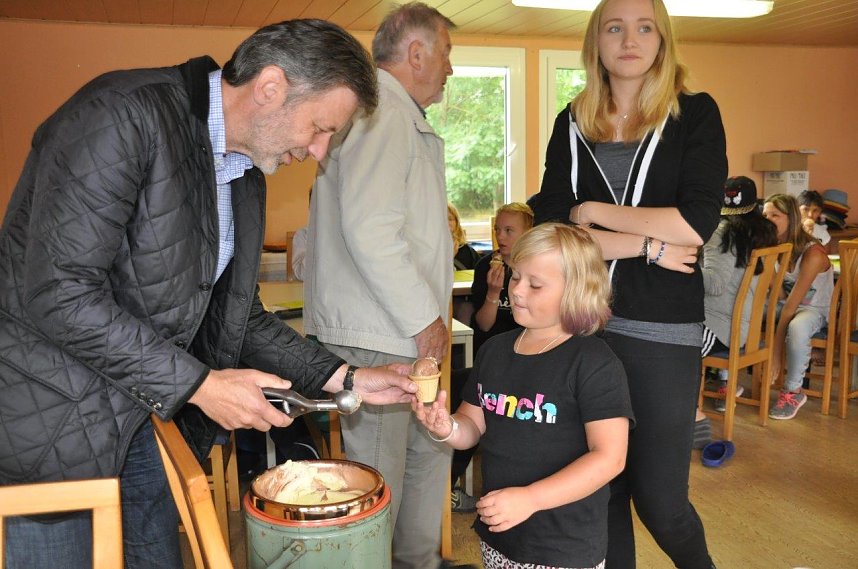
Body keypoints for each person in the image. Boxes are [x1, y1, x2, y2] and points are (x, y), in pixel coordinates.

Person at [0, 19, 420, 569]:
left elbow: (236, 316)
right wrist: (200, 385)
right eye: (319, 128)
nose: (318, 151)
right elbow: (59, 293)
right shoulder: (121, 115)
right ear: (270, 87)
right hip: (51, 424)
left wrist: (348, 377)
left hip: (143, 413)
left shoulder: (246, 173)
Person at [530, 0, 727, 566]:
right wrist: (646, 244)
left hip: (662, 332)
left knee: (661, 501)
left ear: (662, 40)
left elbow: (693, 223)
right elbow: (550, 226)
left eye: (645, 28)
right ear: (597, 41)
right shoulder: (572, 122)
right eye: (614, 27)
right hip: (582, 328)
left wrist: (590, 210)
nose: (629, 40)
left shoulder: (695, 113)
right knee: (601, 491)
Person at [303, 4, 465, 569]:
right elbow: (369, 229)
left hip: (400, 326)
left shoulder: (389, 113)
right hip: (385, 332)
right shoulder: (382, 112)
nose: (449, 67)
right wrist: (426, 320)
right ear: (416, 53)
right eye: (445, 52)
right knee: (380, 485)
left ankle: (418, 562)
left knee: (428, 453)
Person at [413, 223, 634, 569]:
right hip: (501, 534)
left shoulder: (593, 362)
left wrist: (531, 498)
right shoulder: (495, 351)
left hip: (565, 546)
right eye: (516, 277)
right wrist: (447, 428)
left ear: (576, 291)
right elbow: (473, 422)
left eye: (535, 284)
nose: (517, 291)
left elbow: (610, 457)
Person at [700, 176, 777, 415]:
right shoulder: (765, 232)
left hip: (718, 329)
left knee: (666, 344)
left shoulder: (724, 232)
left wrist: (688, 264)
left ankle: (683, 413)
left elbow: (714, 285)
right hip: (743, 328)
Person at [762, 194, 834, 420]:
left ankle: (793, 390)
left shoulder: (813, 253)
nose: (767, 219)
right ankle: (727, 378)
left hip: (813, 310)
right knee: (744, 309)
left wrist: (775, 352)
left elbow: (790, 307)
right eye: (765, 215)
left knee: (798, 327)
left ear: (791, 218)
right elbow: (780, 294)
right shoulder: (772, 246)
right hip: (786, 304)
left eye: (775, 215)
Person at [471, 202, 534, 353]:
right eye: (497, 230)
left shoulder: (536, 266)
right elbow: (484, 325)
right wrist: (493, 292)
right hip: (493, 345)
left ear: (528, 233)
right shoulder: (485, 266)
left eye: (508, 230)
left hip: (528, 345)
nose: (500, 236)